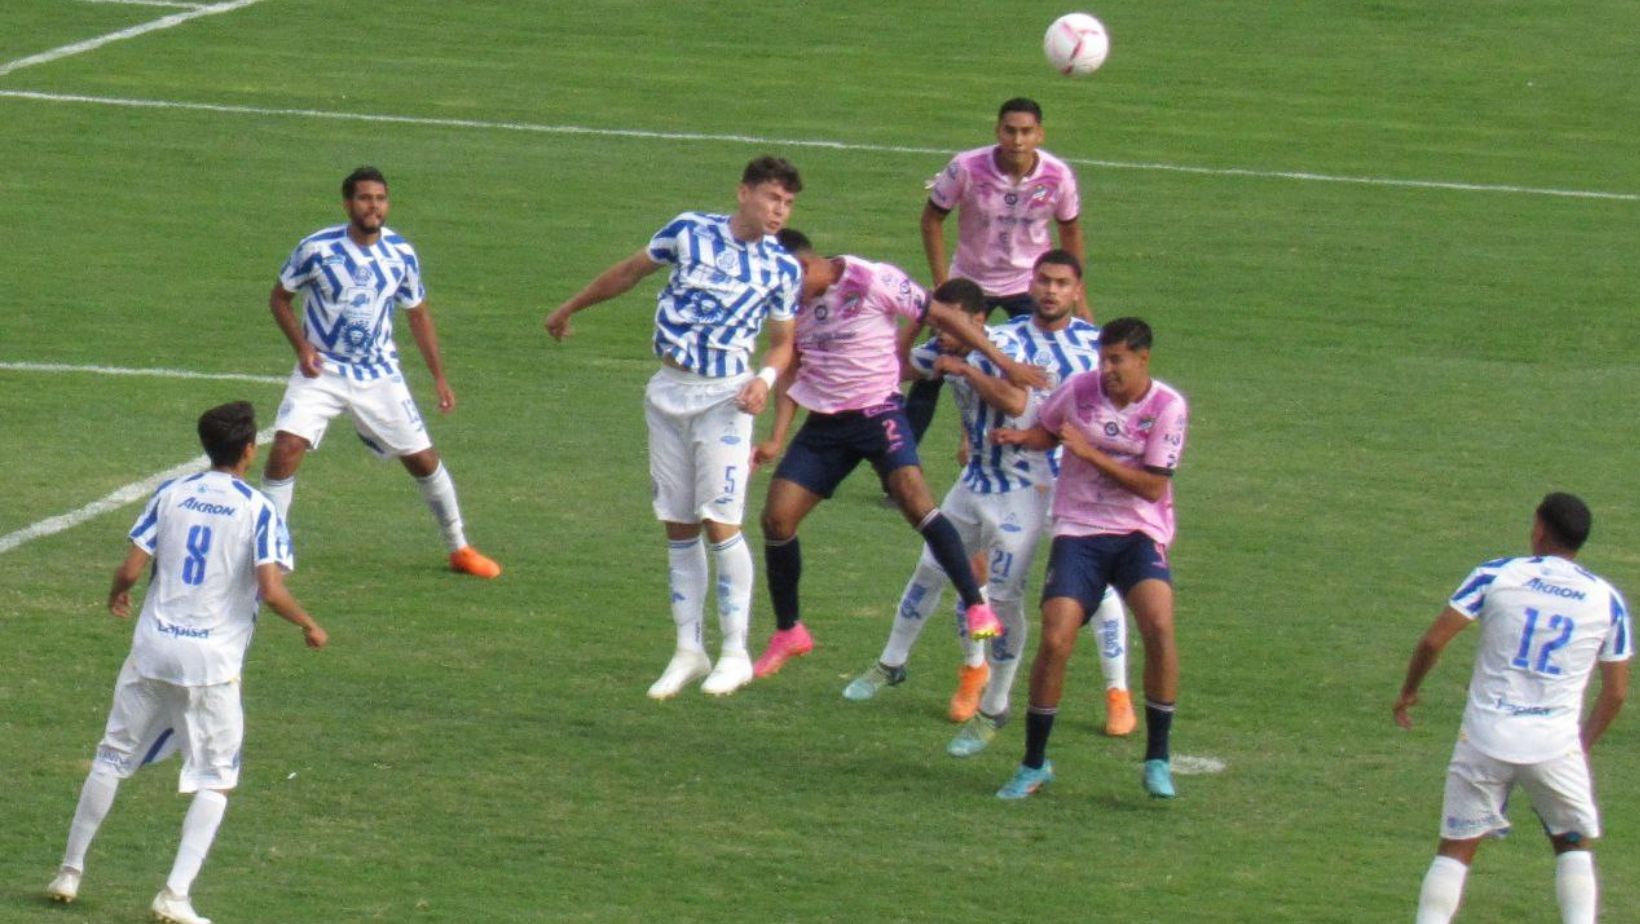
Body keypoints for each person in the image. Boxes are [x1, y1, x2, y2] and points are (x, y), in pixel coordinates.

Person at [46, 402, 327, 924]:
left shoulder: (171, 493)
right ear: (248, 450)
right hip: (210, 663)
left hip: (152, 649)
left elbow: (131, 569)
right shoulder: (256, 508)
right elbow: (269, 588)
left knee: (111, 756)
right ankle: (174, 895)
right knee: (215, 778)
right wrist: (309, 624)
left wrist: (116, 594)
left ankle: (69, 870)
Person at [844, 251, 1134, 754]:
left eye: (1061, 283)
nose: (1049, 291)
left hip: (1052, 485)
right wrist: (915, 328)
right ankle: (896, 663)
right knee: (932, 567)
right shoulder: (1000, 339)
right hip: (977, 480)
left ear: (1076, 289)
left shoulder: (1093, 345)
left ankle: (1110, 691)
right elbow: (893, 371)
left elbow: (1030, 404)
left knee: (1079, 588)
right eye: (1042, 280)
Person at [545, 156, 802, 699]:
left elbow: (784, 341)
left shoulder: (782, 268)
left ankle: (735, 650)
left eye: (788, 203)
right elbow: (629, 272)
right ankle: (689, 648)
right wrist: (571, 307)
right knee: (678, 523)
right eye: (773, 198)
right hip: (668, 391)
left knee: (720, 521)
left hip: (725, 398)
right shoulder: (689, 232)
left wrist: (765, 377)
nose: (780, 211)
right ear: (744, 193)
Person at [750, 230, 1048, 679]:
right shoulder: (792, 305)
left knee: (915, 499)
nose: (786, 295)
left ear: (808, 266)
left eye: (790, 284)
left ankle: (975, 606)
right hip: (827, 423)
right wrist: (776, 436)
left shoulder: (871, 279)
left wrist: (1008, 366)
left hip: (878, 413)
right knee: (776, 519)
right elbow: (791, 366)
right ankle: (789, 630)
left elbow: (943, 314)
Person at [1394, 493, 1630, 924]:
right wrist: (1580, 745)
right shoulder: (1606, 600)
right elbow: (1615, 693)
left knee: (1456, 849)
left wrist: (1409, 690)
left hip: (1485, 737)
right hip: (1555, 745)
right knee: (1572, 845)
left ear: (1539, 529)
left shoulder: (1497, 575)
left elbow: (1433, 640)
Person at [263, 166, 501, 579]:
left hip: (379, 374)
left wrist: (439, 377)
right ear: (347, 204)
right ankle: (270, 551)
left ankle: (459, 547)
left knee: (423, 460)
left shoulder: (401, 255)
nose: (374, 207)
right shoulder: (316, 249)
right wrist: (302, 348)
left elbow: (418, 314)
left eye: (380, 199)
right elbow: (280, 298)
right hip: (323, 369)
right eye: (364, 199)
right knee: (285, 447)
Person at [989, 316, 1187, 800]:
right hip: (1079, 530)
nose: (1107, 368)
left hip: (1139, 532)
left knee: (1159, 625)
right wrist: (1020, 439)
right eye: (1103, 357)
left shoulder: (1167, 406)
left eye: (1117, 359)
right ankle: (1034, 763)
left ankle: (1157, 758)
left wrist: (1090, 452)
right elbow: (1048, 430)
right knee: (1056, 639)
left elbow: (1153, 485)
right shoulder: (1080, 390)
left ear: (1143, 358)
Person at [903, 97, 1088, 453]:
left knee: (1035, 366)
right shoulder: (966, 167)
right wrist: (943, 284)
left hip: (1026, 285)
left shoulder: (1057, 175)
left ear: (1040, 134)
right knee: (931, 374)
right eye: (1010, 131)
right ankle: (900, 466)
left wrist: (1079, 296)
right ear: (997, 131)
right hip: (970, 284)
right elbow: (931, 220)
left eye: (1026, 132)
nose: (1017, 140)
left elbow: (1071, 232)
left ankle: (1043, 447)